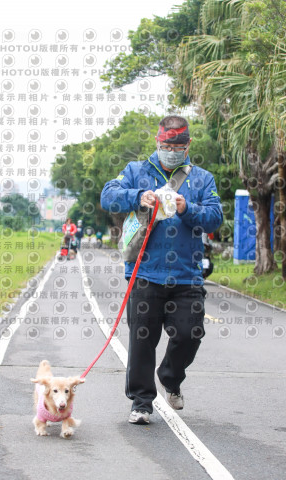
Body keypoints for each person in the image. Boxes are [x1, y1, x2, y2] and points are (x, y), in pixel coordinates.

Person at [100, 115, 223, 425]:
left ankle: (170, 375)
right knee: (142, 339)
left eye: (177, 146)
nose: (171, 150)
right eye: (166, 145)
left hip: (187, 275)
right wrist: (137, 197)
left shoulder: (202, 179)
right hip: (144, 272)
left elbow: (215, 217)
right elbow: (108, 196)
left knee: (190, 333)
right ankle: (141, 402)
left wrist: (186, 208)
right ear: (157, 142)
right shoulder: (136, 171)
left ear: (188, 145)